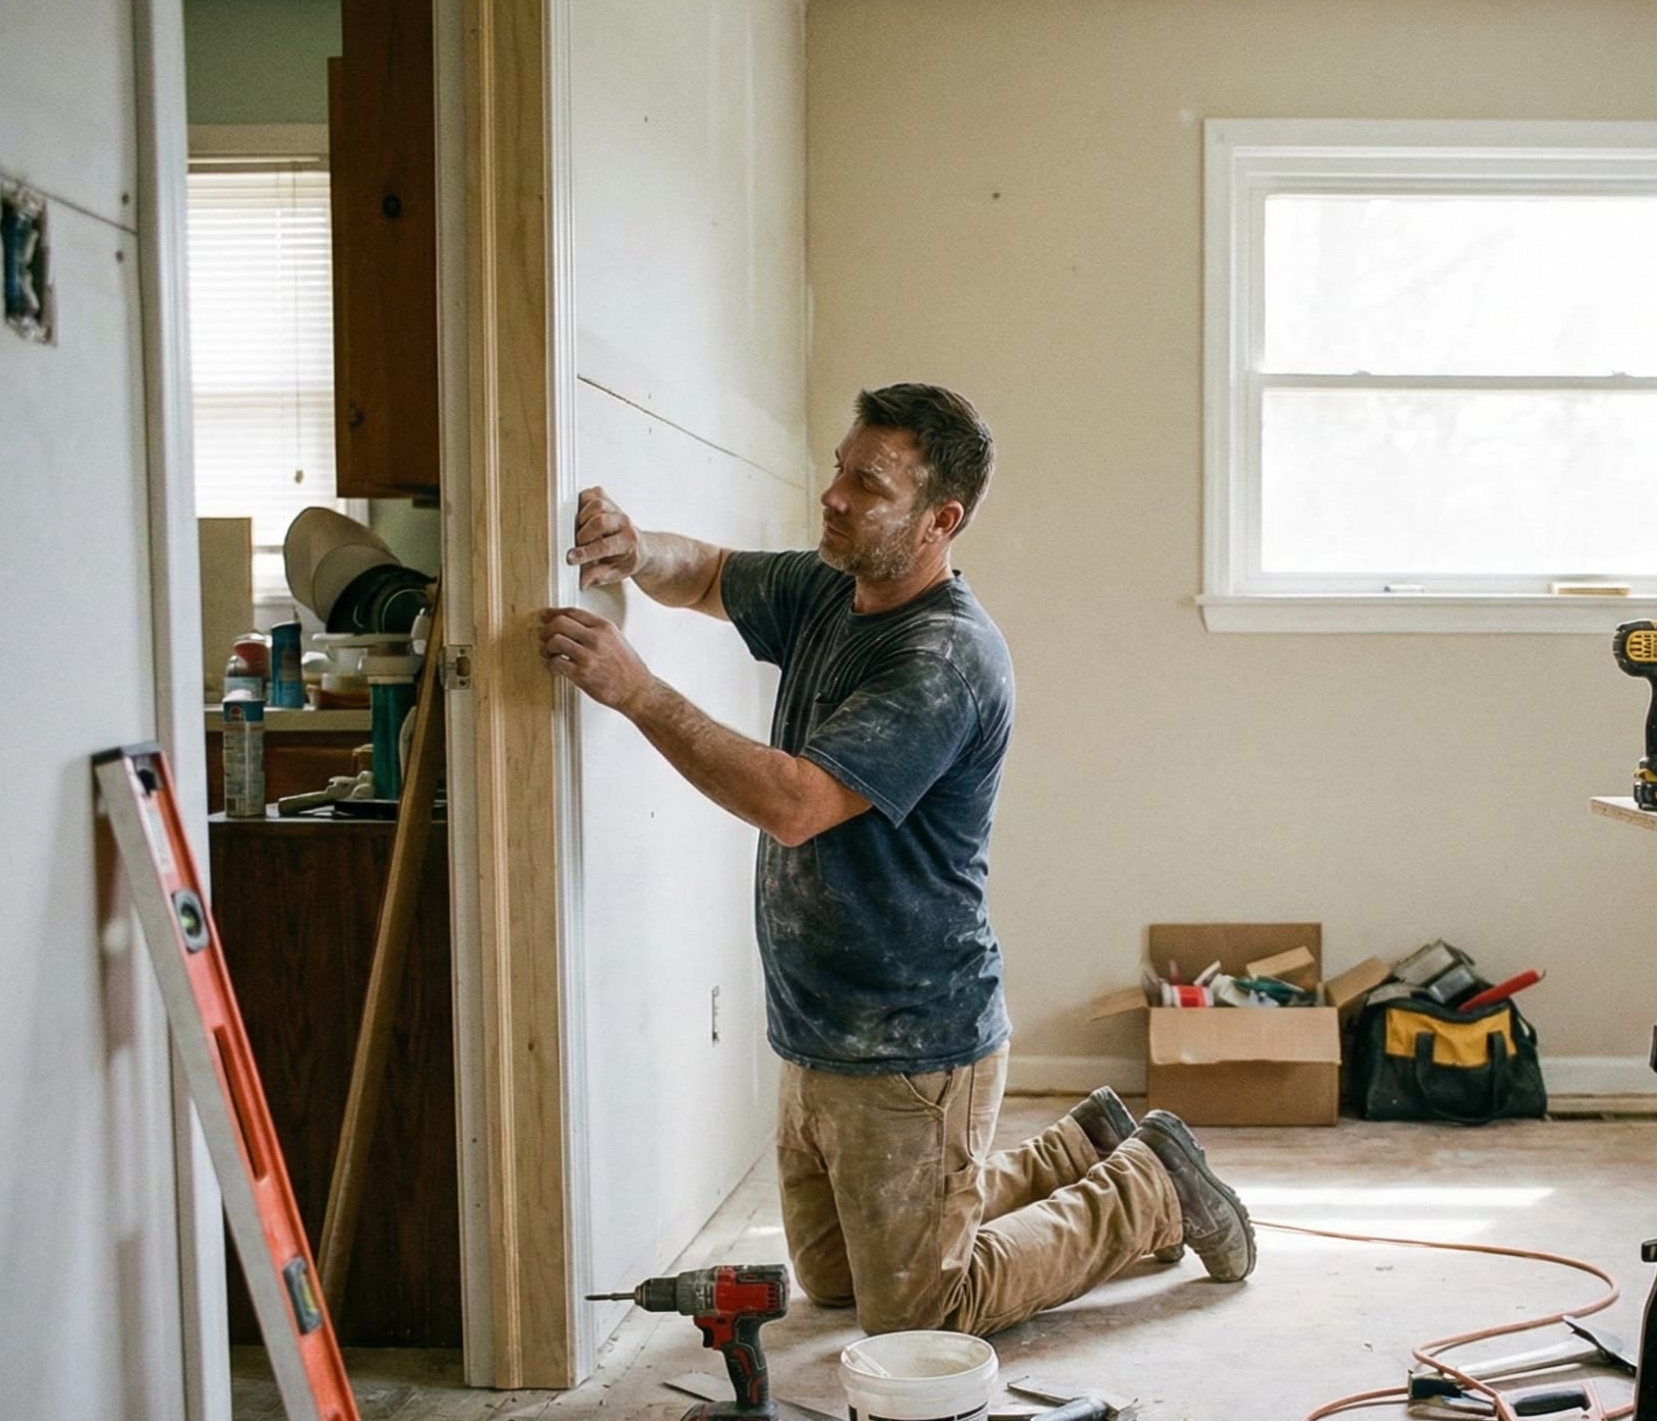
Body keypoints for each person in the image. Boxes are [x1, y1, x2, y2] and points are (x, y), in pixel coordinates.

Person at [537, 382, 1255, 1336]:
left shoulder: (942, 657)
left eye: (866, 485)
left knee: (925, 1309)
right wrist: (635, 549)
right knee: (836, 1285)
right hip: (819, 1023)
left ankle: (1150, 1188)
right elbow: (706, 573)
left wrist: (637, 691)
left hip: (913, 1039)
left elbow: (795, 806)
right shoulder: (834, 592)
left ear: (938, 520)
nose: (832, 495)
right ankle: (1082, 1143)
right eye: (840, 468)